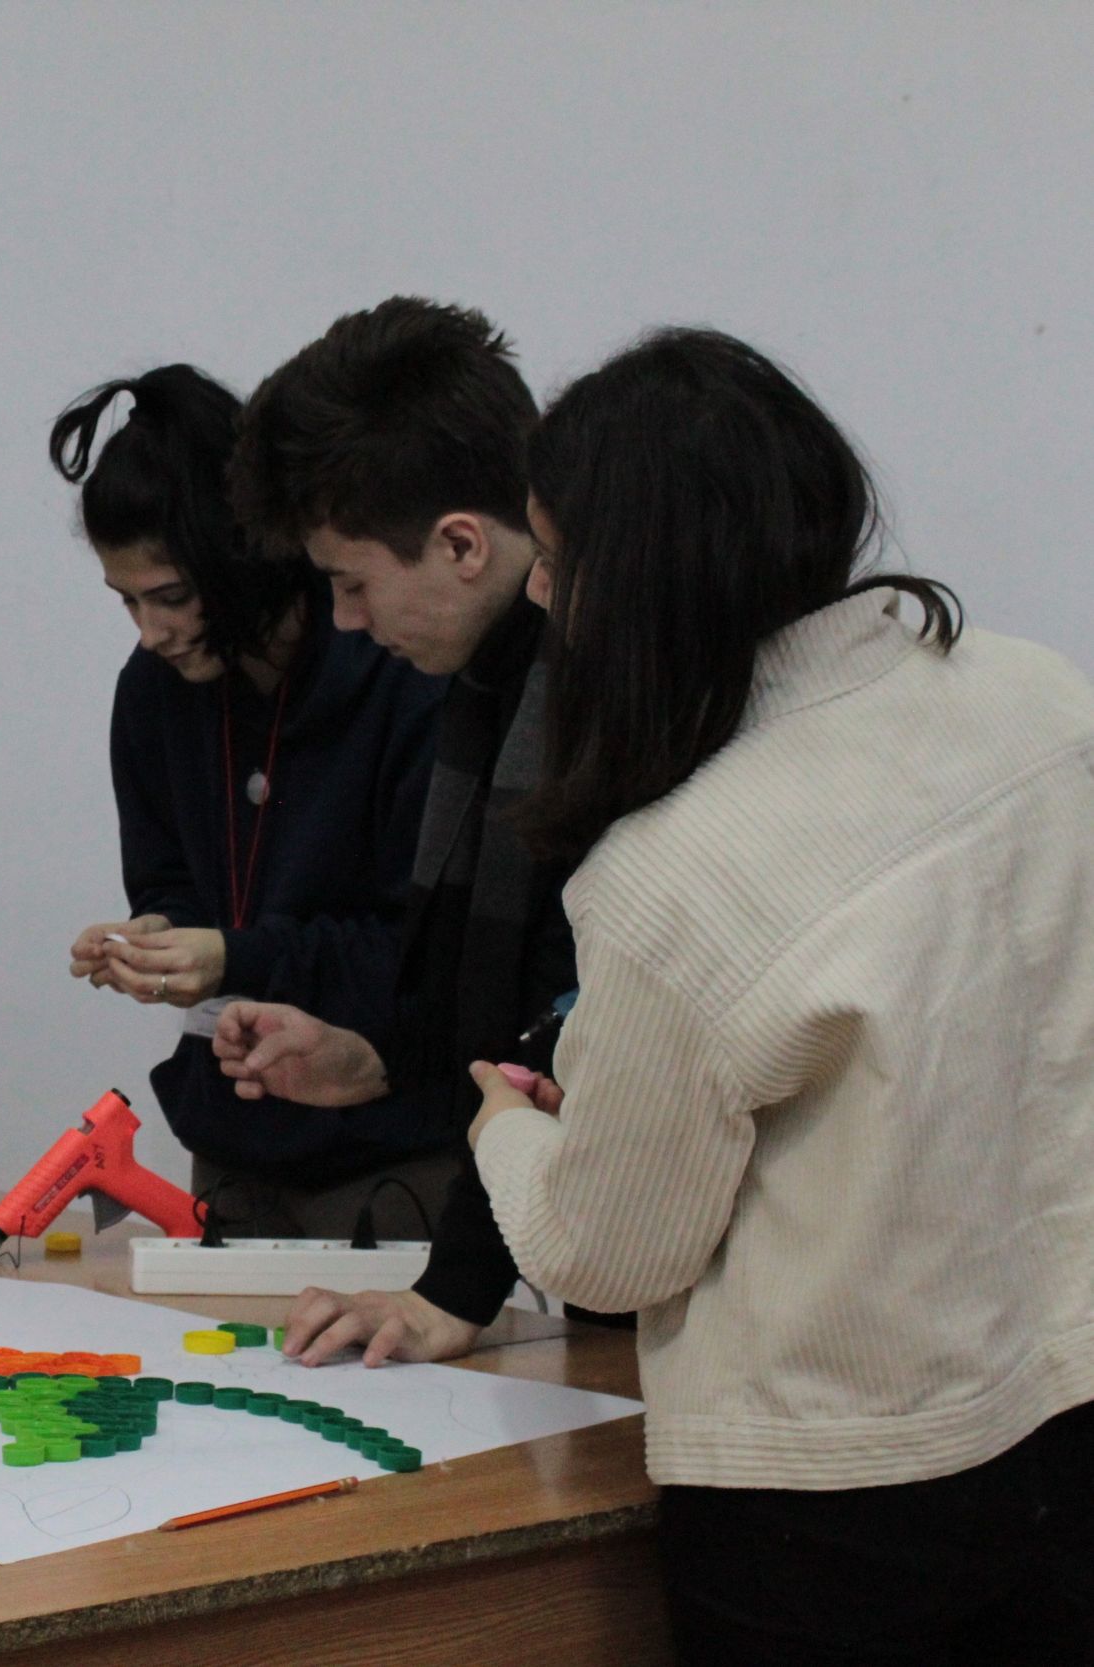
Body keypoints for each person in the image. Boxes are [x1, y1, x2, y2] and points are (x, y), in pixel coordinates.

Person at [463, 327, 1094, 1664]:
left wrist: (506, 1133)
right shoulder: (1040, 698)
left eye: (557, 558)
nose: (538, 594)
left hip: (842, 1499)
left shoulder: (673, 872)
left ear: (646, 576)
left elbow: (610, 1251)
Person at [210, 297, 577, 1362]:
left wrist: (449, 1294)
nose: (346, 620)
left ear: (461, 543)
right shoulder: (485, 684)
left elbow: (571, 1032)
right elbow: (496, 1013)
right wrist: (371, 1061)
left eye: (351, 582)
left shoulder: (594, 698)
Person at [50, 366, 447, 1238]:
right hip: (231, 1143)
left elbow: (423, 954)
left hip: (393, 1150)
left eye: (171, 596)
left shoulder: (401, 672)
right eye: (126, 600)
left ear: (247, 556)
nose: (150, 631)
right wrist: (157, 940)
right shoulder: (152, 692)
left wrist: (232, 955)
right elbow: (171, 885)